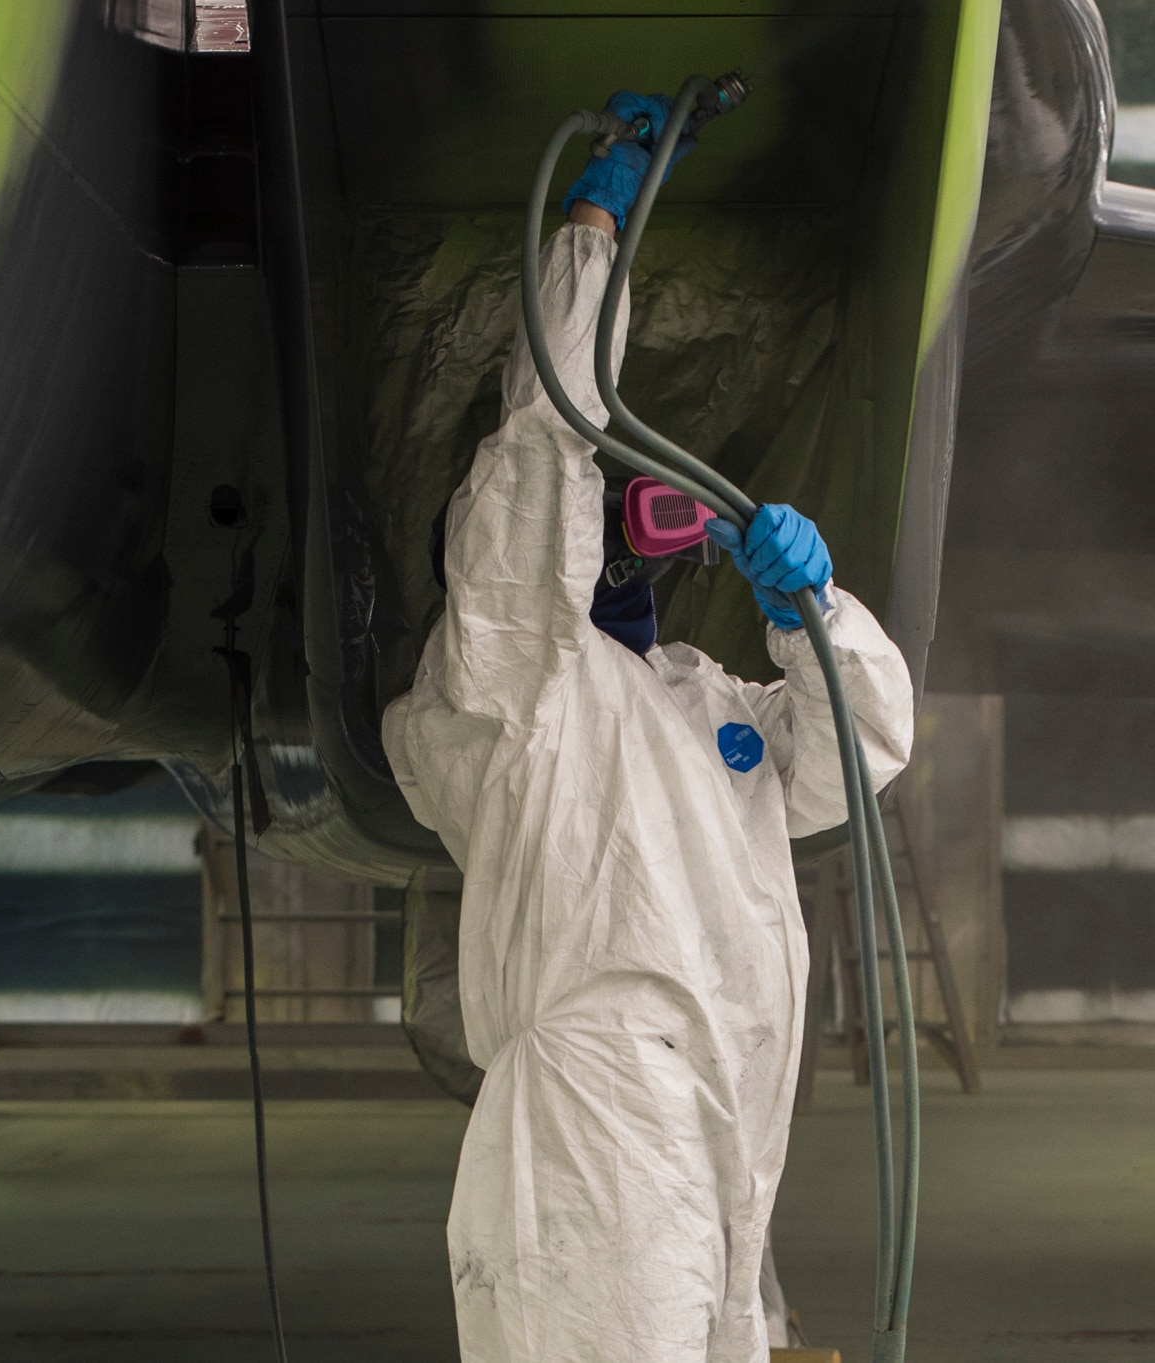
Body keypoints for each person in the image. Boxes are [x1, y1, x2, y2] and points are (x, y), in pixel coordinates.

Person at [382, 90, 915, 1363]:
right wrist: (589, 242)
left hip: (727, 1110)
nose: (625, 541)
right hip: (595, 1124)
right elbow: (539, 453)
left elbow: (862, 752)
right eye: (607, 521)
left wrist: (812, 612)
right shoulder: (515, 698)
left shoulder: (701, 702)